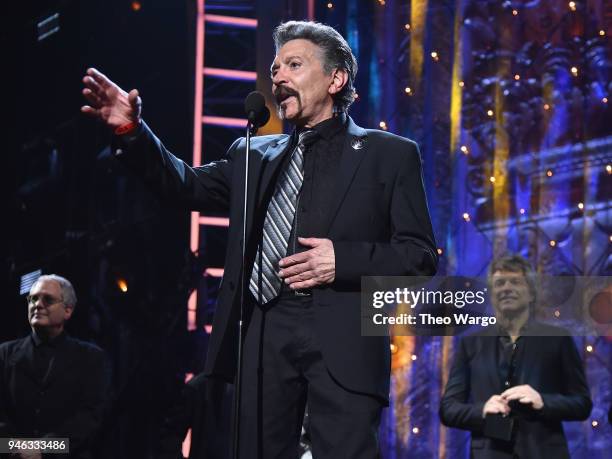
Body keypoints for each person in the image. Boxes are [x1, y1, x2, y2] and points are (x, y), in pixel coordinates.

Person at [81, 21, 438, 458]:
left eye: (294, 64)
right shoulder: (252, 155)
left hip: (344, 337)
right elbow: (184, 185)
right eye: (274, 68)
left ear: (335, 79)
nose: (278, 77)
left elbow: (418, 256)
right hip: (262, 330)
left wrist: (340, 261)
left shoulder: (390, 153)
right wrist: (132, 132)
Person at [439, 255, 592, 459]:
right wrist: (482, 410)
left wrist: (543, 402)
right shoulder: (470, 344)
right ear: (492, 294)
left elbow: (582, 404)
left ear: (530, 293)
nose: (506, 288)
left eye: (515, 281)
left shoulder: (558, 339)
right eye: (499, 283)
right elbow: (448, 409)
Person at [0, 275, 111, 459]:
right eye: (33, 298)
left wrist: (44, 449)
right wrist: (16, 448)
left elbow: (90, 418)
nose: (37, 304)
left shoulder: (92, 358)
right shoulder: (3, 355)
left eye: (48, 299)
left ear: (68, 311)